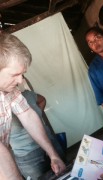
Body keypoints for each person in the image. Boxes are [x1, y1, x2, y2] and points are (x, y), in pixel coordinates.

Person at [0, 33, 66, 180]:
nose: (20, 81)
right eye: (15, 74)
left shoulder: (8, 90)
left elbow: (27, 115)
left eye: (22, 74)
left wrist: (53, 155)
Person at [10, 90, 66, 180]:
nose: (20, 80)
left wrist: (38, 115)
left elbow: (42, 100)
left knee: (64, 174)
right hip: (28, 156)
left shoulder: (25, 95)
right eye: (14, 76)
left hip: (49, 143)